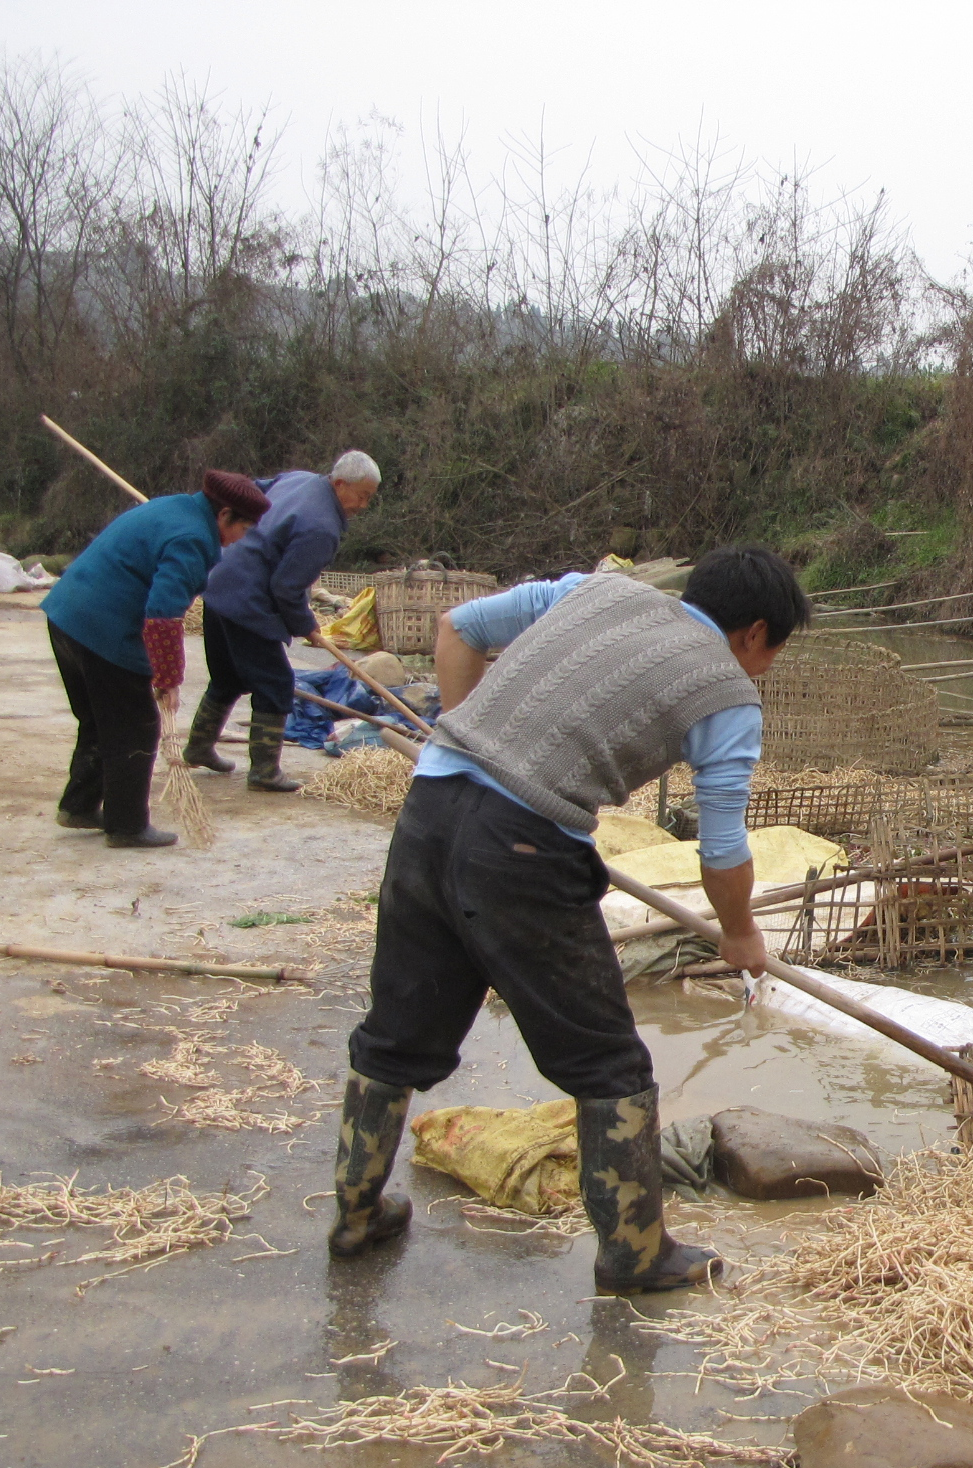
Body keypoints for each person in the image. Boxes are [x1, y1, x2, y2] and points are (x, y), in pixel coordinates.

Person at [329, 546, 811, 1294]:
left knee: (395, 1036)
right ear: (754, 633)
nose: (764, 670)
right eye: (772, 653)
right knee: (610, 1067)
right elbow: (721, 850)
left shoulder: (595, 591)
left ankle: (357, 1215)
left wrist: (466, 735)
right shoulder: (727, 693)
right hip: (523, 851)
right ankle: (635, 1255)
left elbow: (457, 629)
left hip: (429, 810)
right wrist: (741, 931)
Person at [40, 471, 270, 849]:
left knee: (99, 721)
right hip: (103, 627)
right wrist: (168, 677)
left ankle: (78, 806)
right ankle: (127, 826)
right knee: (137, 727)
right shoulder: (193, 538)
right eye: (243, 529)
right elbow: (163, 615)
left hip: (66, 616)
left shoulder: (174, 506)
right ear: (225, 515)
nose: (240, 539)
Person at [187, 450, 382, 791]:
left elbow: (252, 490)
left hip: (218, 584)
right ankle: (264, 772)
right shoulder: (322, 528)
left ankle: (199, 747)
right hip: (247, 602)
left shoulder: (298, 479)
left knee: (227, 678)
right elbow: (286, 588)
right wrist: (305, 625)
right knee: (276, 684)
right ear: (340, 484)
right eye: (362, 496)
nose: (363, 505)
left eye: (369, 498)